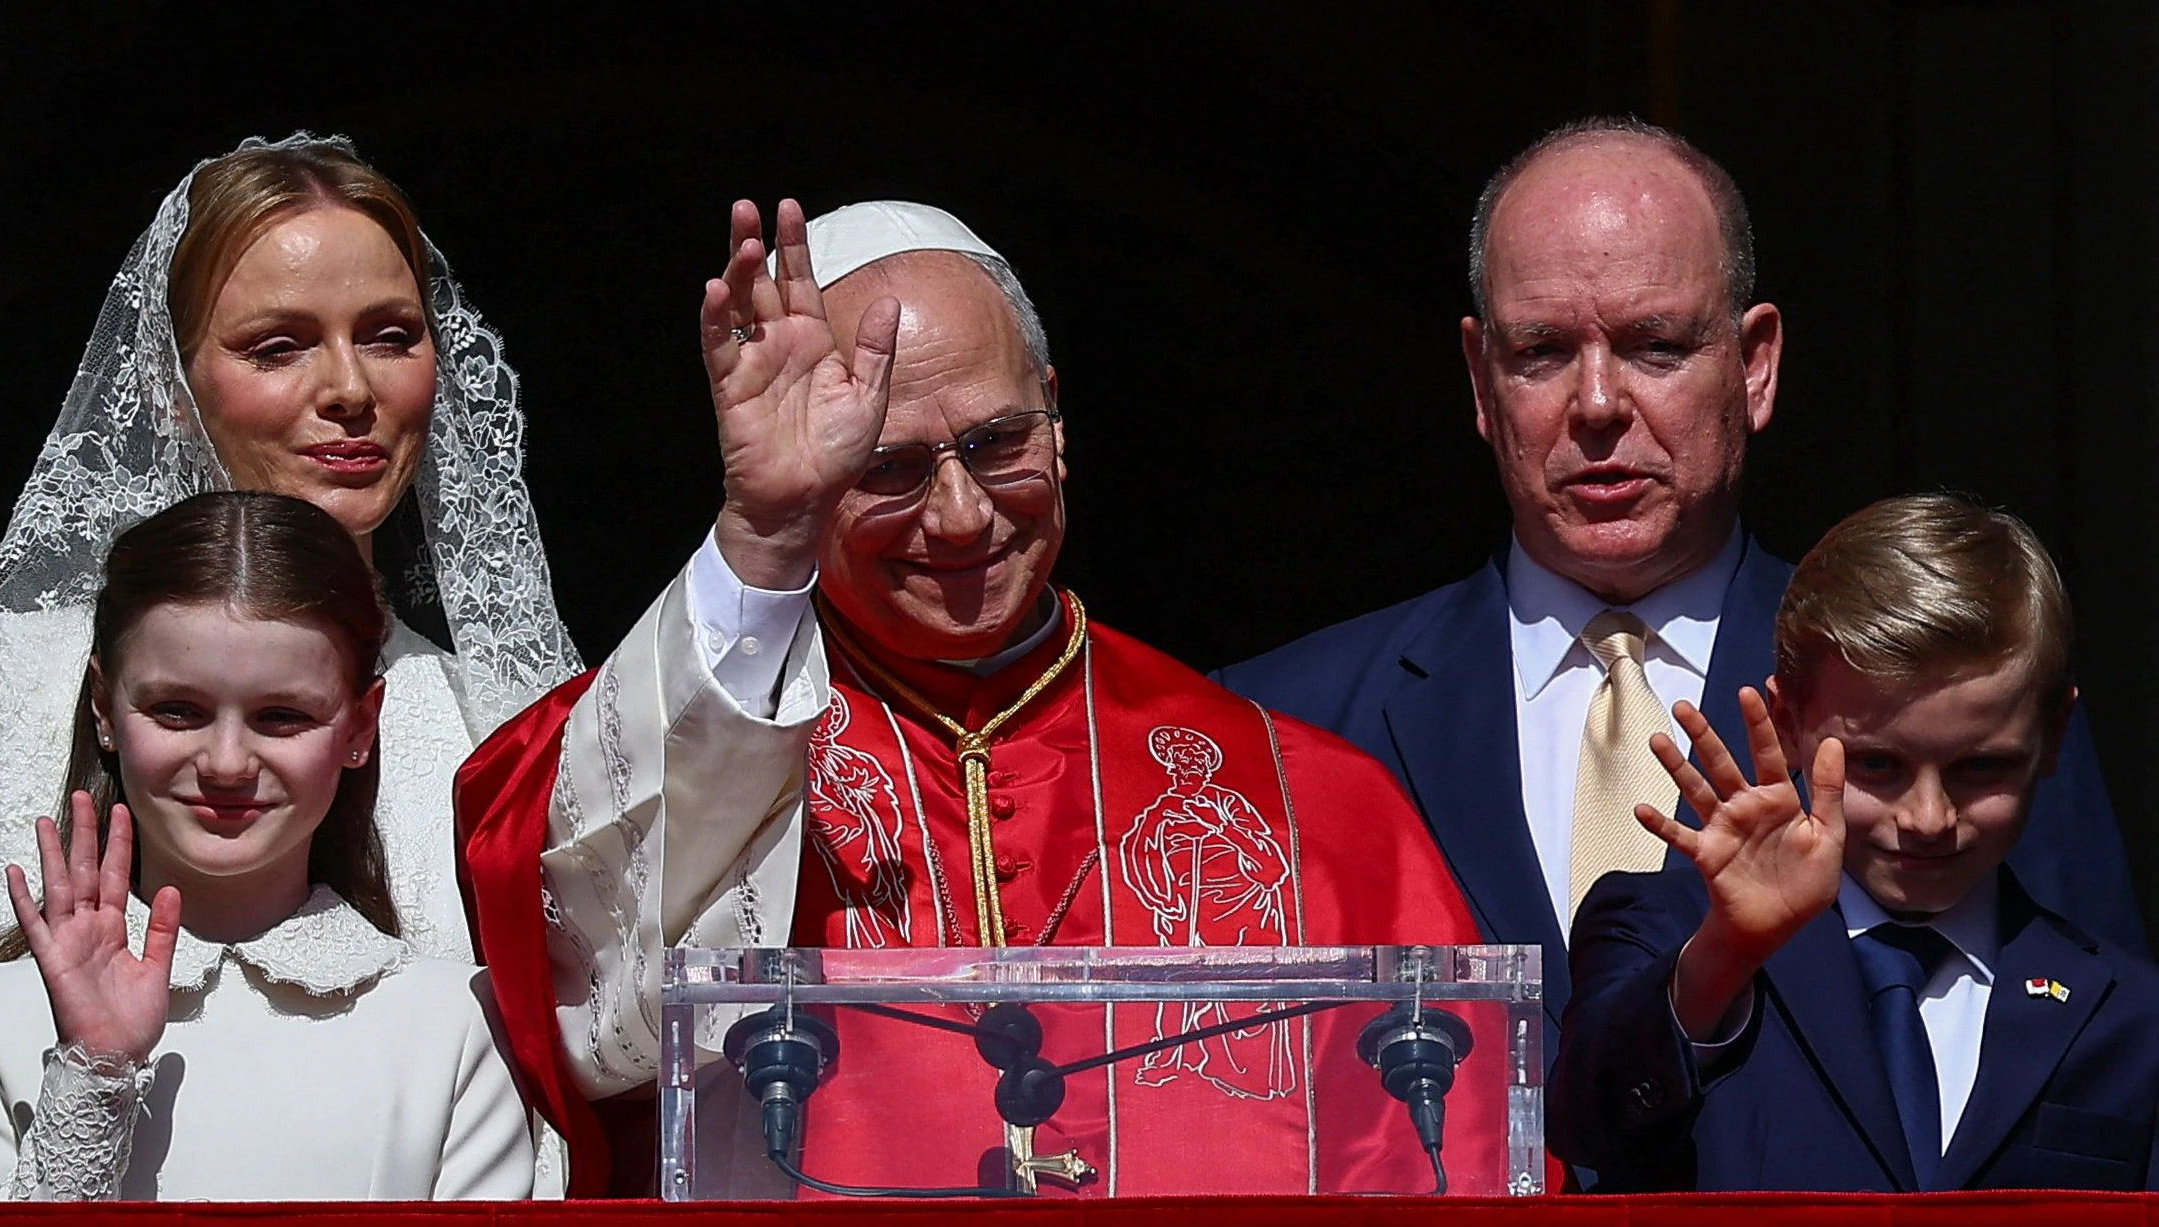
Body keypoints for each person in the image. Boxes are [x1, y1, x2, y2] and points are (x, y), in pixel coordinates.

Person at [456, 199, 1512, 1198]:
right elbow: (589, 994)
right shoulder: (720, 737)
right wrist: (763, 537)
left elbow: (1453, 1169)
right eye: (888, 467)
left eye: (998, 442)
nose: (959, 517)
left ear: (1055, 415)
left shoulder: (1311, 805)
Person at [1213, 117, 2142, 1051]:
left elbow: (2088, 1074)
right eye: (1541, 351)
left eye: (1655, 345)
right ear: (1481, 381)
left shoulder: (1955, 698)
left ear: (1756, 366)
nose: (1600, 404)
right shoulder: (1280, 728)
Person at [0, 134, 581, 965]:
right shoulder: (1, 686)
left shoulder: (510, 723)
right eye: (279, 346)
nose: (349, 390)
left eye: (390, 335)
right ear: (172, 390)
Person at [1548, 494, 2159, 1191]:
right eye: (1877, 765)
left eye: (1979, 767)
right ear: (1787, 724)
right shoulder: (1668, 931)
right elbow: (1585, 1127)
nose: (1929, 816)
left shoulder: (2126, 1013)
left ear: (2052, 736)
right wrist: (1725, 953)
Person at [0, 491, 534, 1200]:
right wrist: (93, 1072)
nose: (228, 761)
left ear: (361, 725)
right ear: (103, 706)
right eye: (178, 710)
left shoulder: (454, 1023)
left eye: (282, 716)